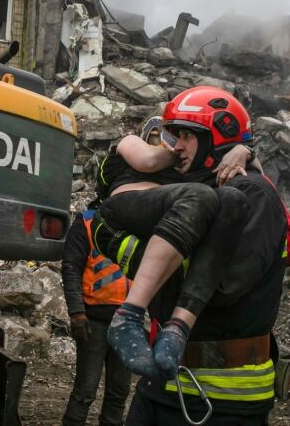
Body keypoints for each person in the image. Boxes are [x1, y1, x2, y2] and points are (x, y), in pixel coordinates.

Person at [124, 86, 290, 425]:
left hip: (222, 398)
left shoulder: (253, 195)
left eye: (187, 136)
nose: (177, 146)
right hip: (164, 381)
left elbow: (221, 287)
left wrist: (126, 251)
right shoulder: (200, 192)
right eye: (176, 136)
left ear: (218, 138)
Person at [99, 118, 255, 378]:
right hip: (122, 213)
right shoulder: (130, 143)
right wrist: (182, 151)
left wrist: (243, 150)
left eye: (181, 137)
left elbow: (238, 166)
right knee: (201, 195)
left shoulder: (187, 176)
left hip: (163, 226)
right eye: (169, 136)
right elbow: (148, 161)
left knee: (232, 200)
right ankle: (127, 317)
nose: (174, 144)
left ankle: (178, 328)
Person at [61, 202, 133, 426]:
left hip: (129, 320)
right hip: (94, 320)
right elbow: (71, 266)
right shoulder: (87, 221)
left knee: (119, 391)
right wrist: (76, 313)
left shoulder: (140, 220)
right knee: (85, 390)